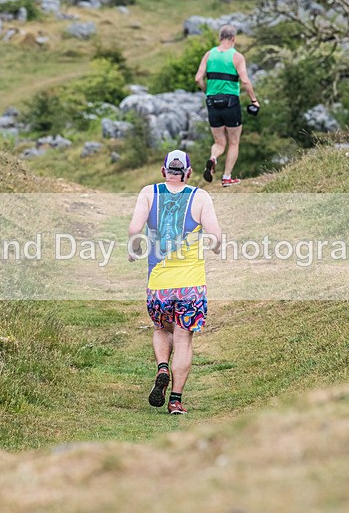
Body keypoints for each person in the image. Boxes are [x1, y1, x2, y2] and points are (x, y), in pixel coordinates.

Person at [128, 149, 222, 415]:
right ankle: (176, 401)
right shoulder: (200, 197)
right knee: (183, 339)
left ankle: (162, 368)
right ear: (189, 173)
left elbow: (135, 230)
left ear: (163, 171)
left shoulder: (149, 193)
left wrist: (135, 249)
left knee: (161, 328)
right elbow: (215, 235)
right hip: (191, 284)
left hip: (159, 282)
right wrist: (214, 245)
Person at [194, 24, 260, 188]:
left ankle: (213, 158)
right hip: (231, 103)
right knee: (233, 142)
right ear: (233, 38)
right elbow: (244, 81)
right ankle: (226, 177)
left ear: (220, 37)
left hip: (212, 102)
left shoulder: (209, 55)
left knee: (219, 142)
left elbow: (198, 78)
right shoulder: (237, 57)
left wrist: (207, 90)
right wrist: (254, 100)